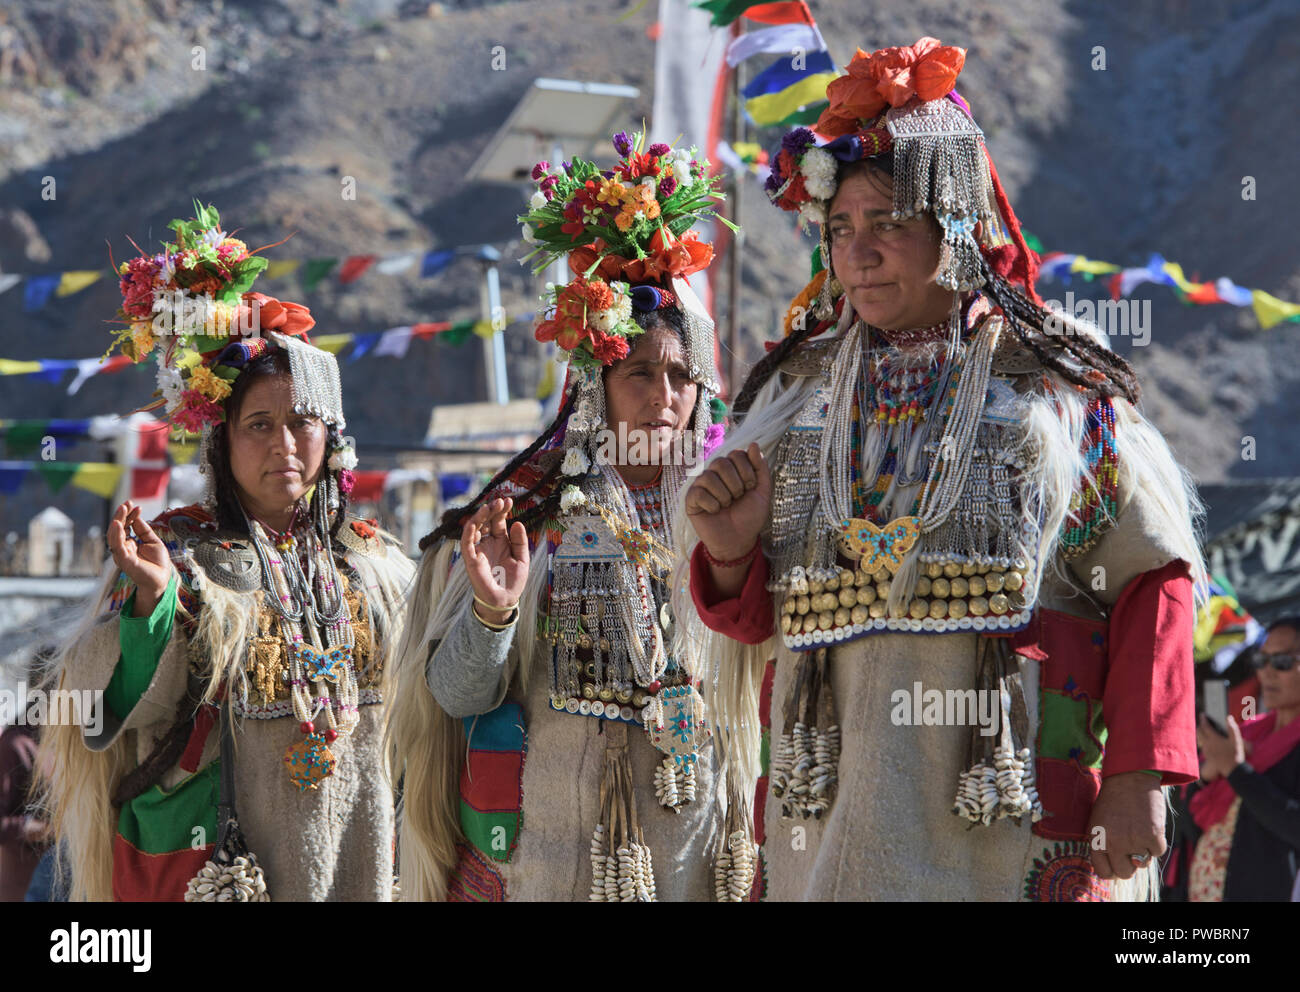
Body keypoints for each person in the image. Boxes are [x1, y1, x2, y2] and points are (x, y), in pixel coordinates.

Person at [673, 38, 1206, 901]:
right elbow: (759, 620)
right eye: (841, 229)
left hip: (998, 817)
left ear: (956, 227)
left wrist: (1141, 774)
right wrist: (732, 555)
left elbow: (1153, 580)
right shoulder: (794, 399)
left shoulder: (1053, 390)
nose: (858, 252)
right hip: (833, 823)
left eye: (888, 223)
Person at [386, 131, 736, 901]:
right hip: (557, 852)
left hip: (694, 849)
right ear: (593, 387)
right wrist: (492, 610)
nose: (664, 395)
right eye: (639, 371)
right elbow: (456, 697)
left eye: (681, 375)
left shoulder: (732, 513)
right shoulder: (529, 521)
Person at [37, 204, 413, 901]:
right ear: (222, 441)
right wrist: (153, 606)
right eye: (259, 425)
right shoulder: (181, 556)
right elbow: (104, 704)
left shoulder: (374, 567)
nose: (283, 446)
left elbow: (433, 707)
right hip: (232, 866)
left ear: (330, 437)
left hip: (356, 859)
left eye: (302, 423)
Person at [1189, 616, 1300, 901]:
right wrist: (1208, 774)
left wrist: (1236, 770)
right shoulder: (1251, 733)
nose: (1267, 673)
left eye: (1283, 662)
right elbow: (1192, 819)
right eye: (1261, 660)